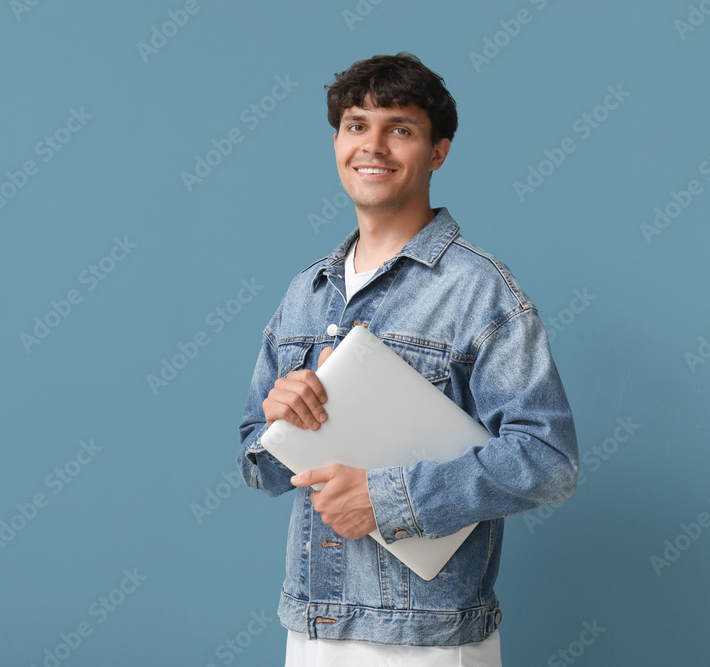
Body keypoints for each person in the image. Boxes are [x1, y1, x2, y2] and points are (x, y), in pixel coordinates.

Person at [236, 52, 579, 666]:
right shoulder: (304, 293)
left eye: (400, 129)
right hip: (310, 629)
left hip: (428, 642)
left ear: (438, 151)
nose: (373, 146)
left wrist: (388, 500)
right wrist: (275, 424)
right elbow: (256, 462)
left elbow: (548, 459)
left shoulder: (480, 290)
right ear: (338, 141)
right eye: (356, 125)